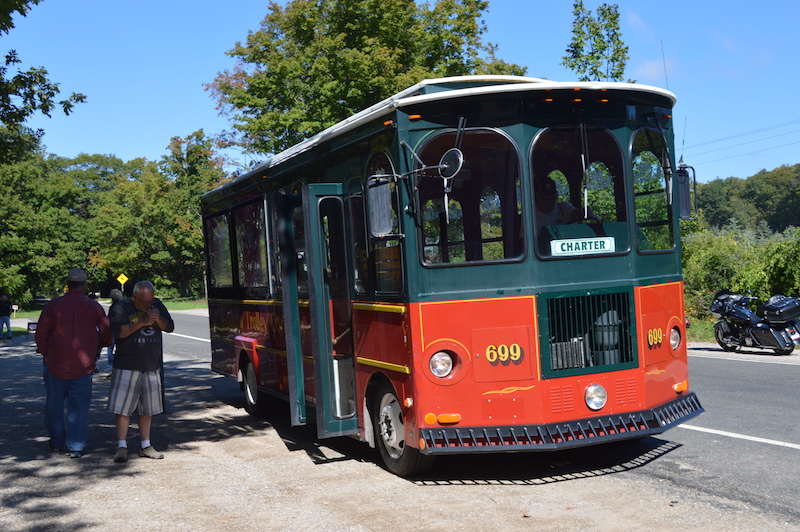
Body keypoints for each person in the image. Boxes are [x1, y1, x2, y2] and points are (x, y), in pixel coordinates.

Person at [35, 268, 112, 458]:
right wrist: (100, 345)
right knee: (79, 407)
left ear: (67, 284)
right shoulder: (93, 306)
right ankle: (76, 446)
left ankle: (56, 442)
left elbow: (40, 333)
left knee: (54, 404)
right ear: (84, 285)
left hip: (55, 362)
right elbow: (107, 332)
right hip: (83, 364)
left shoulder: (53, 305)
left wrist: (46, 352)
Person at [107, 280, 174, 462]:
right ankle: (122, 446)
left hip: (151, 365)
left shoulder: (156, 305)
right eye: (144, 302)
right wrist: (143, 321)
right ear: (134, 297)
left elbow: (169, 327)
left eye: (150, 300)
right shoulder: (120, 308)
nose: (148, 304)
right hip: (126, 365)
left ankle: (146, 445)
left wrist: (157, 318)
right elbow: (118, 333)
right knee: (123, 409)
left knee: (148, 409)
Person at [105, 288, 124, 377]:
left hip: (113, 331)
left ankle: (111, 367)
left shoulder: (112, 307)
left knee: (110, 349)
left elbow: (109, 320)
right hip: (122, 331)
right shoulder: (124, 307)